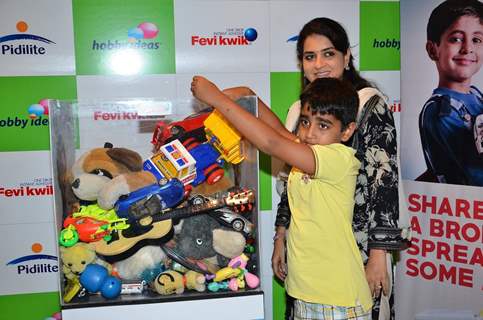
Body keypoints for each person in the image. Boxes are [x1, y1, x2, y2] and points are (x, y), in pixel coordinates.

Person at [223, 17, 407, 320]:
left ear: (346, 57)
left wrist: (378, 256)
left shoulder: (369, 105)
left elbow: (383, 183)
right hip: (307, 254)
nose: (319, 64)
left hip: (357, 248)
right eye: (310, 56)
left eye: (329, 53)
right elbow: (293, 180)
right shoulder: (300, 110)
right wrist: (281, 236)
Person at [192, 75, 373, 319]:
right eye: (306, 121)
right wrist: (250, 94)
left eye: (323, 125)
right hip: (307, 292)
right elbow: (278, 131)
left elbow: (272, 142)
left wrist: (216, 97)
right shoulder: (310, 150)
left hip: (337, 299)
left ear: (347, 131)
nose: (309, 133)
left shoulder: (337, 158)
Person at [419, 0, 483, 186]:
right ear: (433, 50)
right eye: (456, 39)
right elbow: (475, 176)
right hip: (466, 205)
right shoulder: (441, 111)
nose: (467, 48)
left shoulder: (477, 96)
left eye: (477, 40)